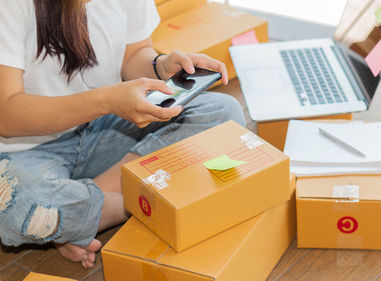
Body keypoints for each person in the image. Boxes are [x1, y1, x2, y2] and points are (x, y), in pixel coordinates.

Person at [0, 0, 245, 268]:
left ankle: (83, 213)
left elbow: (133, 54)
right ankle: (127, 202)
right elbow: (7, 114)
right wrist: (107, 101)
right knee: (13, 204)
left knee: (224, 115)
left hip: (106, 126)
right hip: (27, 148)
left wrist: (160, 66)